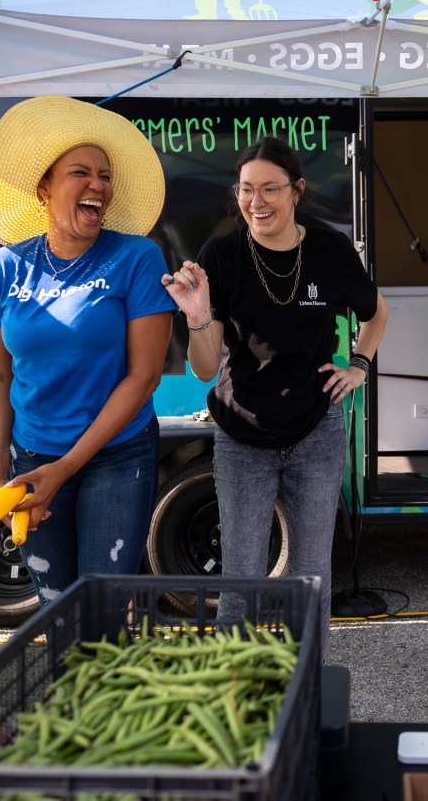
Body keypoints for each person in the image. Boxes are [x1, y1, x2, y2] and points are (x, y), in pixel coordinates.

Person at [163, 136, 388, 649]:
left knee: (309, 577)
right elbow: (203, 369)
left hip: (316, 429)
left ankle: (302, 690)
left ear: (297, 191)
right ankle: (234, 698)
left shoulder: (329, 249)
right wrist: (197, 317)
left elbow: (377, 313)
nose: (256, 201)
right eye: (246, 190)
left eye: (270, 189)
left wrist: (358, 365)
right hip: (242, 433)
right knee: (241, 581)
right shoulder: (220, 254)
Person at [0, 95, 176, 606]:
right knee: (56, 610)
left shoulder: (138, 257)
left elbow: (144, 377)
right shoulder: (1, 270)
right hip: (32, 455)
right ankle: (71, 690)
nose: (97, 185)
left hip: (117, 455)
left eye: (104, 176)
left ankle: (104, 687)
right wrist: (0, 480)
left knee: (103, 610)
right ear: (44, 188)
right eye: (79, 172)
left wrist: (63, 470)